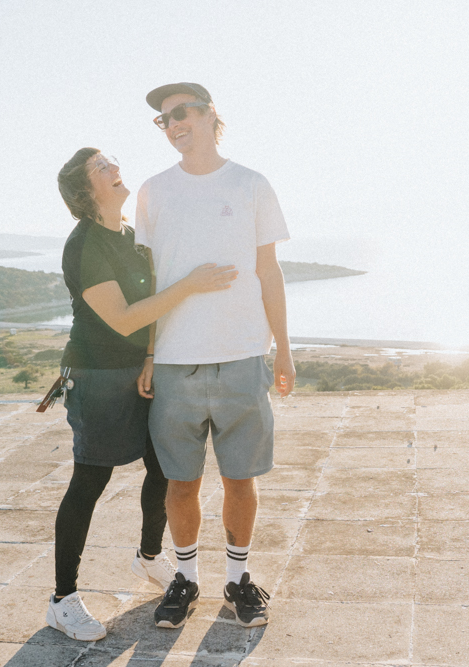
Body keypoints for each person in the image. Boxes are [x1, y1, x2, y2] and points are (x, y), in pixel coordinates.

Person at [46, 147, 239, 642]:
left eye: (112, 162)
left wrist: (151, 358)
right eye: (101, 168)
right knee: (89, 481)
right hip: (97, 376)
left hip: (141, 370)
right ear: (84, 191)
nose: (115, 169)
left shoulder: (131, 237)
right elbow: (128, 316)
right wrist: (193, 286)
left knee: (163, 465)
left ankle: (149, 557)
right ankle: (62, 600)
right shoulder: (85, 244)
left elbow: (146, 311)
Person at [134, 83, 295, 629]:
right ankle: (185, 579)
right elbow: (151, 281)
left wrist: (283, 351)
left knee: (240, 479)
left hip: (244, 354)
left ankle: (238, 579)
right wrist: (151, 353)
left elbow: (268, 271)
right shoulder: (153, 191)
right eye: (163, 120)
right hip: (177, 361)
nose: (173, 124)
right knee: (180, 482)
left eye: (181, 113)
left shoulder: (251, 184)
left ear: (209, 116)